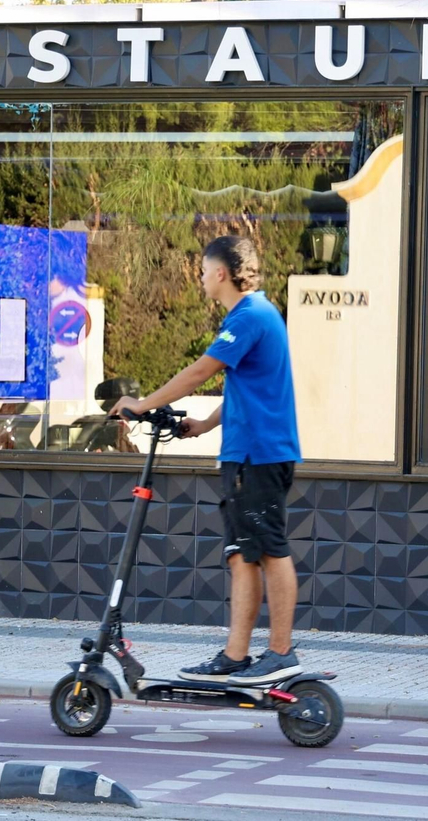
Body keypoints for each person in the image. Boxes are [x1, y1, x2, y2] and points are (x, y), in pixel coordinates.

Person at [108, 235, 305, 686]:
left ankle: (280, 652)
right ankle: (236, 656)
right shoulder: (251, 315)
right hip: (246, 451)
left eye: (202, 270)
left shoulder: (251, 315)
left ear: (221, 272)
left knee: (270, 550)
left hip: (260, 454)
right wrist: (203, 425)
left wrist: (141, 403)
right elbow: (246, 389)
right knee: (242, 555)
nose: (199, 278)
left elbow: (202, 371)